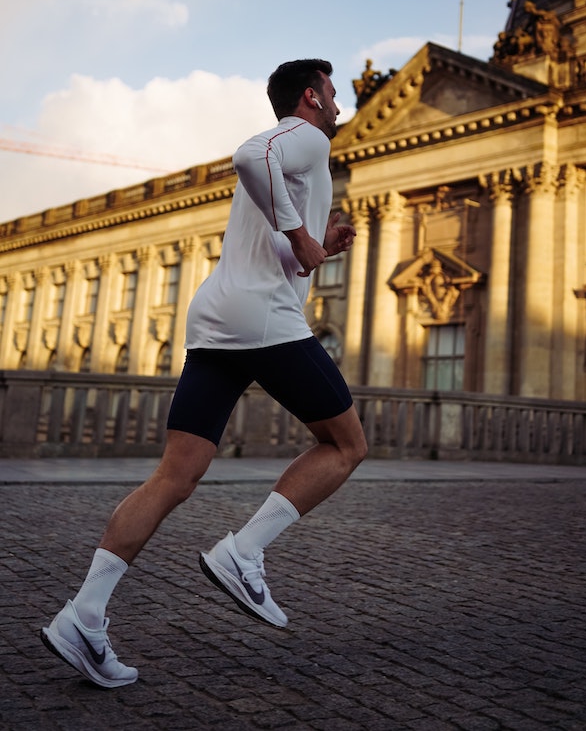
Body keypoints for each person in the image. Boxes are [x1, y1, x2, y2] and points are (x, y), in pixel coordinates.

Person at [41, 58, 368, 689]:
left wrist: (315, 239)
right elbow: (249, 155)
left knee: (174, 475)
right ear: (310, 97)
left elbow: (273, 247)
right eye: (332, 95)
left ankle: (82, 616)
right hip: (262, 321)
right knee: (347, 444)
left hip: (217, 320)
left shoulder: (298, 163)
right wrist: (304, 237)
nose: (339, 107)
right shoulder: (301, 136)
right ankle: (244, 553)